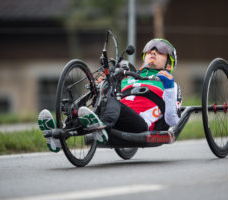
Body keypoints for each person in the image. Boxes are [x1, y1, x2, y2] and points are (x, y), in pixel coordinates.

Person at [38, 38, 182, 152]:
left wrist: (168, 87)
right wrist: (101, 86)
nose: (153, 52)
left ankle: (101, 127)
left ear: (169, 65)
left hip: (140, 124)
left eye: (160, 51)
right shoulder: (130, 78)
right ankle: (59, 134)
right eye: (149, 50)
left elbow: (172, 121)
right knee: (104, 100)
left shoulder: (170, 85)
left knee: (110, 102)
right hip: (117, 117)